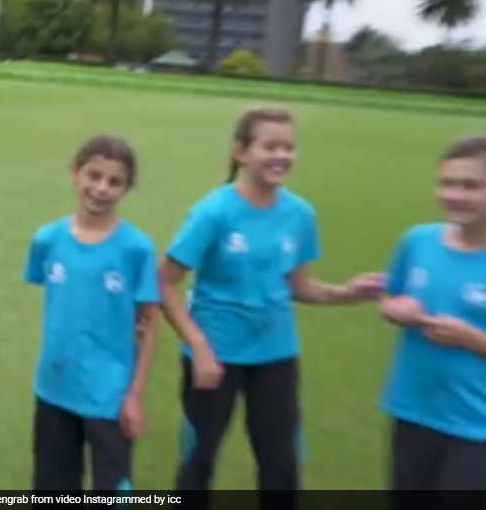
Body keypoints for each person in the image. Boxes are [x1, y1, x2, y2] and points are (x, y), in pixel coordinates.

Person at [157, 107, 383, 500]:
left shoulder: (299, 214)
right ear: (241, 152)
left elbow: (297, 285)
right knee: (199, 458)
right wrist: (198, 347)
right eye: (270, 146)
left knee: (281, 461)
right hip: (216, 352)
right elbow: (163, 282)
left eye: (288, 147)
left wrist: (344, 294)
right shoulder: (213, 212)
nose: (281, 156)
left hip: (275, 353)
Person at [23, 135, 160, 491]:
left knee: (113, 492)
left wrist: (134, 395)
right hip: (54, 386)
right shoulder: (47, 239)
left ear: (126, 188)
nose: (101, 188)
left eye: (114, 182)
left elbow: (148, 328)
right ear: (75, 173)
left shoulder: (136, 249)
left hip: (109, 394)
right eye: (94, 176)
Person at [379, 136, 486, 500]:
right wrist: (394, 310)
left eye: (471, 186)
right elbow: (390, 297)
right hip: (412, 411)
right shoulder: (417, 242)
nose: (455, 195)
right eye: (447, 183)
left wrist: (472, 339)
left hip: (481, 425)